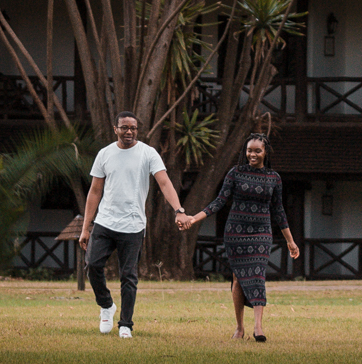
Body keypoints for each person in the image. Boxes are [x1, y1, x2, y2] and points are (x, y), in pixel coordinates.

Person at [176, 133, 299, 342]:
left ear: (265, 152)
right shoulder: (235, 173)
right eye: (249, 150)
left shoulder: (274, 178)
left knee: (258, 274)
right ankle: (239, 328)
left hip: (261, 232)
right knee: (238, 278)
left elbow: (279, 211)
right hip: (236, 232)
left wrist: (290, 240)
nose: (252, 154)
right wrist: (194, 218)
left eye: (257, 150)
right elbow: (219, 201)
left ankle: (258, 327)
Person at [78, 111, 186, 340]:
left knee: (129, 276)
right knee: (93, 265)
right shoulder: (105, 154)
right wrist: (86, 228)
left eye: (133, 128)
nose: (129, 132)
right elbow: (95, 191)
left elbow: (164, 182)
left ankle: (125, 324)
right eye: (124, 127)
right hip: (105, 222)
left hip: (133, 225)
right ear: (115, 129)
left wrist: (179, 210)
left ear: (137, 130)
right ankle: (106, 305)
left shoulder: (148, 153)